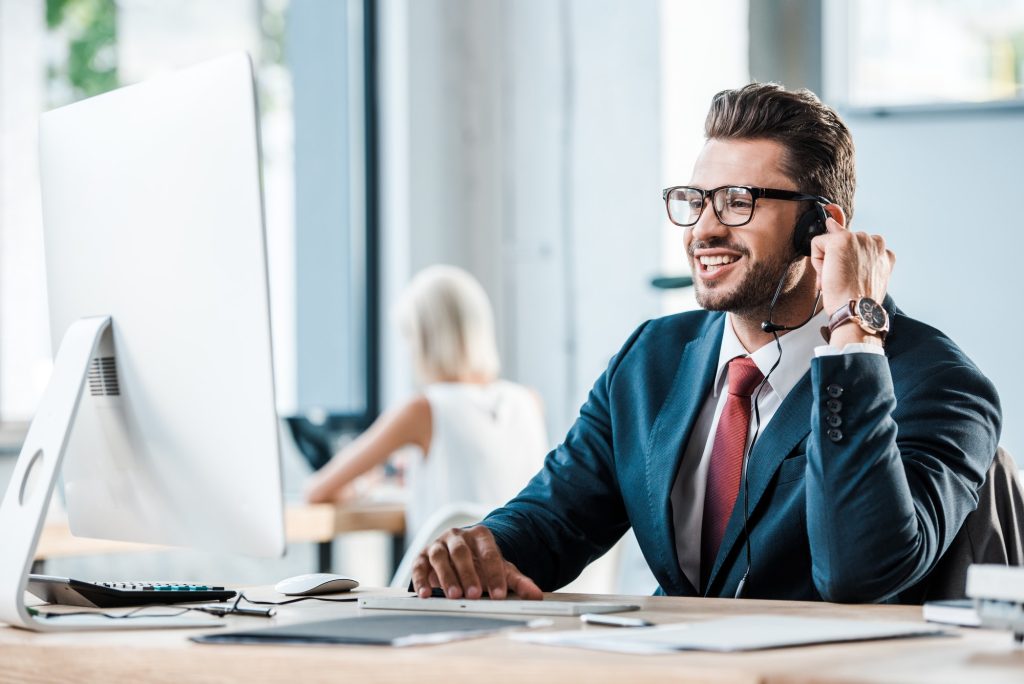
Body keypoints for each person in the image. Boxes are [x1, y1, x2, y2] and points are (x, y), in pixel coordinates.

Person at [410, 83, 1002, 603]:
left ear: (823, 226)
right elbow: (555, 519)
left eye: (739, 202)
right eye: (695, 200)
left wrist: (852, 329)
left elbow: (861, 574)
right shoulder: (651, 359)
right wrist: (479, 552)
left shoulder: (939, 382)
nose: (705, 228)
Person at [305, 265, 549, 540]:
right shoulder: (529, 401)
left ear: (424, 339)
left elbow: (317, 490)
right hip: (528, 578)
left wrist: (362, 487)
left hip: (447, 578)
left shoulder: (423, 409)